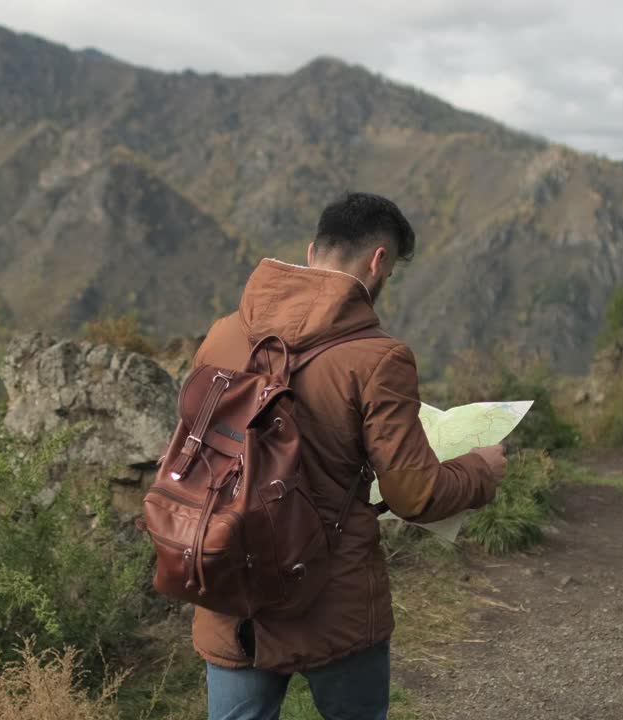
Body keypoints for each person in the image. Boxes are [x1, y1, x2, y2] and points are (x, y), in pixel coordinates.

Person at [190, 192, 507, 720]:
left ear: (312, 251)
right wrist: (481, 470)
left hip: (231, 583)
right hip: (329, 598)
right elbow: (417, 495)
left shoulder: (223, 336)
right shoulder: (379, 359)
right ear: (379, 261)